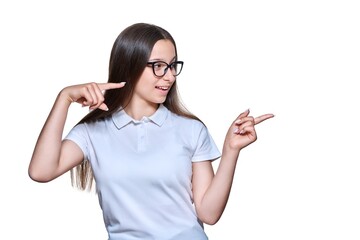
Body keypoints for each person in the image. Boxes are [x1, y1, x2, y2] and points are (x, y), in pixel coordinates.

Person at [28, 22, 274, 240]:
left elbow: (208, 213)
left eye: (172, 65)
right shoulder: (93, 132)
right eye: (158, 66)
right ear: (129, 66)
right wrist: (64, 98)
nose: (169, 76)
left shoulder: (190, 129)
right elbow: (40, 171)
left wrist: (231, 150)